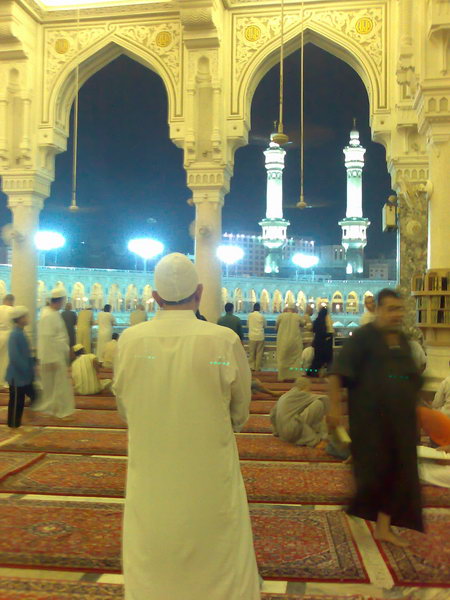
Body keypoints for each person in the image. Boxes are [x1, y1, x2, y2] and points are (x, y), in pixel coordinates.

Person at [113, 253, 260, 600]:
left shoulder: (130, 341)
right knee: (217, 544)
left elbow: (124, 410)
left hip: (151, 468)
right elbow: (240, 410)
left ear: (155, 297)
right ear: (200, 291)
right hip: (209, 468)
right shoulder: (222, 340)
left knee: (152, 542)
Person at [328, 288, 423, 547]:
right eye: (392, 309)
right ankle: (367, 514)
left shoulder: (402, 340)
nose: (397, 314)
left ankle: (383, 527)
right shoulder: (363, 338)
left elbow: (412, 379)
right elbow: (337, 373)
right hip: (371, 423)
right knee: (374, 476)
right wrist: (334, 408)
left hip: (400, 424)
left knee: (400, 475)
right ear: (378, 309)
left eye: (400, 309)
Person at [34, 288, 74, 418]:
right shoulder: (48, 315)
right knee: (57, 386)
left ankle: (56, 409)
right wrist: (50, 359)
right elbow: (46, 339)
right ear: (59, 300)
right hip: (53, 357)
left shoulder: (52, 313)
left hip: (56, 354)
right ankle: (60, 411)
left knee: (56, 386)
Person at [270, 377, 328, 447]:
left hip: (282, 434)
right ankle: (315, 438)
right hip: (292, 433)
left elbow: (272, 414)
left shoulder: (284, 396)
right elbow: (325, 399)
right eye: (309, 389)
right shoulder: (300, 394)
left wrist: (276, 431)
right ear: (305, 386)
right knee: (319, 403)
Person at [6, 306, 36, 428]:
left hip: (24, 375)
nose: (27, 318)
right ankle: (13, 426)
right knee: (16, 403)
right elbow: (15, 357)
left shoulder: (20, 333)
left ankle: (16, 424)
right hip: (17, 376)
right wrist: (27, 369)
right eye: (25, 316)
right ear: (19, 319)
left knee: (26, 399)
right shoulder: (15, 335)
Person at [276, 304, 304, 381]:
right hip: (295, 341)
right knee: (295, 360)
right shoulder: (297, 316)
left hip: (282, 341)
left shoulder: (281, 316)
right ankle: (295, 376)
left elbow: (276, 327)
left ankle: (282, 377)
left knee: (282, 359)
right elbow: (303, 324)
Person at [308, 307, 333, 377]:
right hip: (324, 344)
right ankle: (325, 373)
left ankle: (312, 372)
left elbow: (314, 330)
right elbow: (325, 333)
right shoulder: (326, 322)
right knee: (323, 359)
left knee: (317, 359)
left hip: (317, 343)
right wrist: (330, 335)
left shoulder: (317, 321)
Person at [0, 294, 14, 388]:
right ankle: (2, 382)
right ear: (10, 301)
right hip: (8, 335)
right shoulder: (12, 310)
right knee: (5, 360)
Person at [248, 302, 266, 372]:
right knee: (259, 353)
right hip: (260, 336)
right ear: (259, 308)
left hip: (252, 336)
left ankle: (251, 367)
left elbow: (247, 325)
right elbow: (265, 325)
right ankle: (257, 368)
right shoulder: (261, 316)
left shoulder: (250, 315)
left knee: (252, 353)